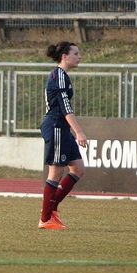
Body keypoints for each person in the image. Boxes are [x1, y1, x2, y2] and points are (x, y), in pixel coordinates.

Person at [39, 41, 88, 230]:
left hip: (62, 127)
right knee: (56, 172)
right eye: (75, 53)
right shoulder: (58, 76)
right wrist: (79, 131)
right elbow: (65, 107)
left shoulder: (63, 76)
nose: (79, 57)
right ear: (64, 56)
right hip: (56, 126)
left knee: (78, 168)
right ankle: (45, 218)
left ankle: (51, 209)